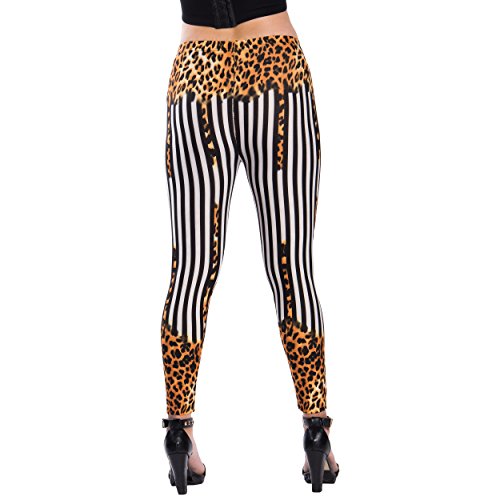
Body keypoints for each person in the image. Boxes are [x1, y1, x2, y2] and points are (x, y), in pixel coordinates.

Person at [160, 0, 339, 493]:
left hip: (196, 75)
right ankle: (316, 428)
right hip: (277, 72)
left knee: (190, 268)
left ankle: (178, 430)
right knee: (293, 268)